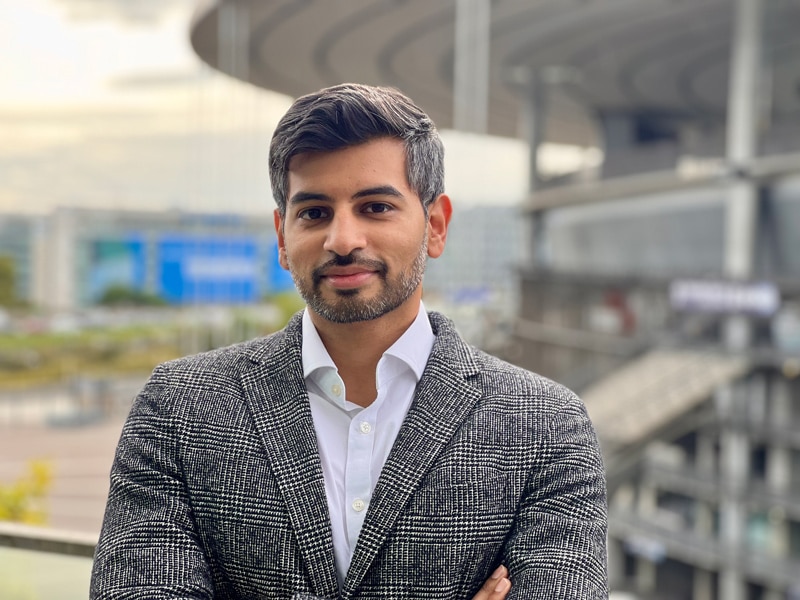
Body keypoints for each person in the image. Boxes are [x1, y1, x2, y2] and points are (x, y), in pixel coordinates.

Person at [90, 83, 607, 599]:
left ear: (436, 225)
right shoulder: (180, 408)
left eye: (376, 207)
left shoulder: (547, 427)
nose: (343, 240)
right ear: (281, 237)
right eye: (314, 212)